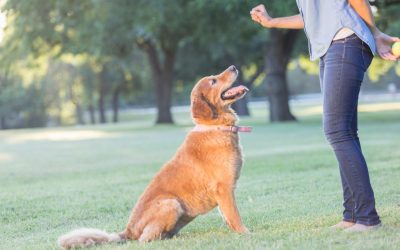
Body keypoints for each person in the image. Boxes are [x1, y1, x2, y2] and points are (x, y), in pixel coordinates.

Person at [250, 0, 399, 232]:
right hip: (332, 47)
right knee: (345, 133)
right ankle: (352, 214)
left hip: (346, 41)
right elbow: (313, 17)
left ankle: (368, 218)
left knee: (337, 131)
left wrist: (375, 31)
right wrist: (272, 22)